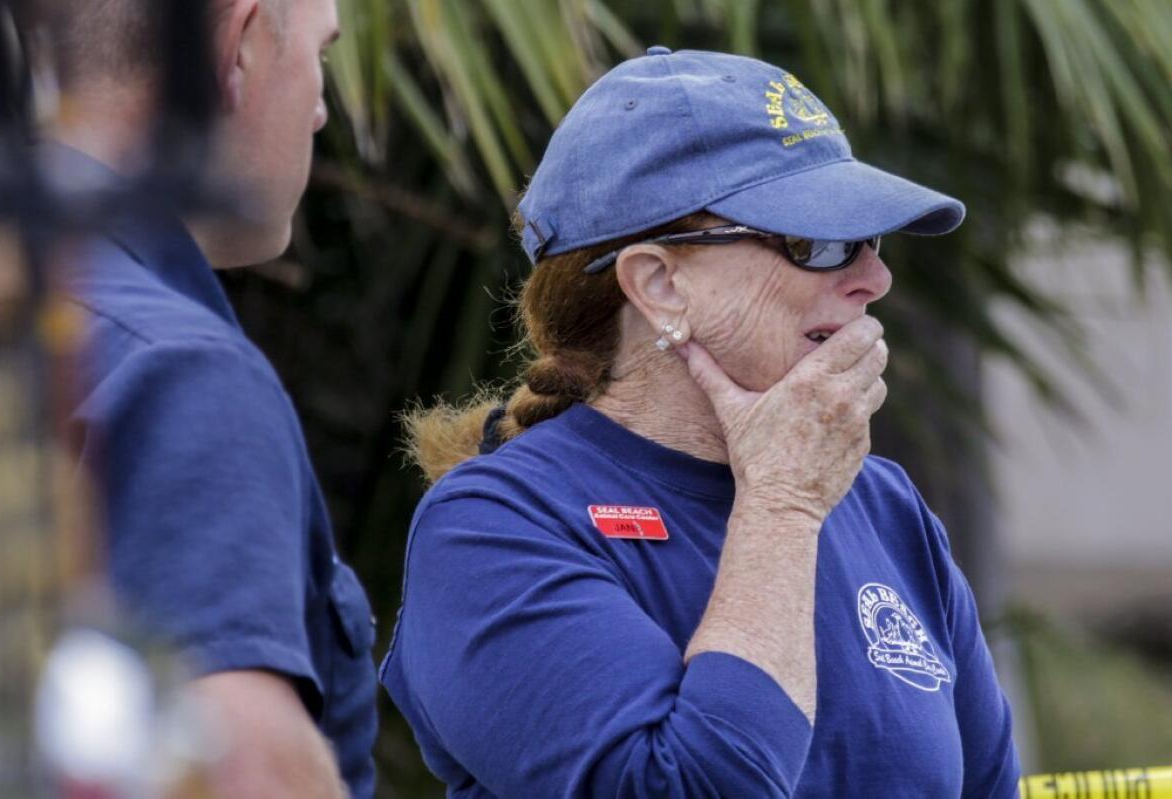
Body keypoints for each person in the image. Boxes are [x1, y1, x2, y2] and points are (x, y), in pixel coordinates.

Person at [382, 47, 1020, 797]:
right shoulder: (492, 527)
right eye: (817, 241)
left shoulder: (885, 506)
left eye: (871, 240)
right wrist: (780, 501)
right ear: (659, 285)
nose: (873, 278)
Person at [44, 0, 377, 795]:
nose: (324, 106)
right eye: (321, 57)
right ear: (237, 50)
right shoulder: (186, 375)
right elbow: (242, 769)